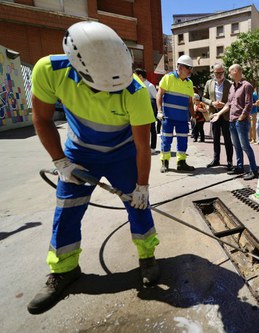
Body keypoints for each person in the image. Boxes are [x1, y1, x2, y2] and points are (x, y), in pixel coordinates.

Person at [27, 21, 160, 315]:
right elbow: (42, 118)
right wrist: (60, 160)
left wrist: (142, 186)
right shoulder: (49, 71)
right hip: (78, 155)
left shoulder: (136, 91)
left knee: (138, 207)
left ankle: (147, 257)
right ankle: (64, 270)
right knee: (68, 208)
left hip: (123, 155)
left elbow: (141, 147)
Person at [211, 64, 259, 180]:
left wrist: (241, 118)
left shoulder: (247, 86)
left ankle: (254, 170)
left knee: (245, 146)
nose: (229, 73)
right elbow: (229, 104)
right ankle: (239, 167)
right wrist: (219, 113)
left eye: (230, 71)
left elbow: (248, 105)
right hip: (232, 121)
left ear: (236, 71)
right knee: (236, 146)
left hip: (240, 122)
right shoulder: (232, 87)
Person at [156, 55, 195, 173]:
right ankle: (165, 162)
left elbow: (189, 102)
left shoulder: (189, 82)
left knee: (183, 140)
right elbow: (159, 94)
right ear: (180, 67)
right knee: (166, 140)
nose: (190, 71)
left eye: (191, 68)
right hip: (168, 117)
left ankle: (181, 163)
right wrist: (159, 111)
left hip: (182, 119)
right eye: (188, 67)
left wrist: (193, 116)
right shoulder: (168, 78)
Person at [202, 63, 233, 170]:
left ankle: (229, 161)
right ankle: (216, 160)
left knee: (228, 139)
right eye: (217, 73)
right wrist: (212, 103)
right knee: (215, 139)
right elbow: (203, 97)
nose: (219, 74)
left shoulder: (230, 84)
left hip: (225, 115)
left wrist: (224, 104)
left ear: (224, 72)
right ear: (213, 73)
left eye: (221, 72)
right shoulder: (208, 83)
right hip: (214, 114)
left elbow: (232, 100)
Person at [134, 68, 159, 155]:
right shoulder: (137, 85)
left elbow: (156, 97)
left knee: (152, 128)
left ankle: (153, 147)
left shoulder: (149, 86)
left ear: (140, 76)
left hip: (150, 109)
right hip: (140, 110)